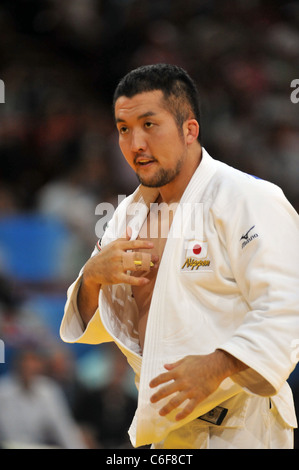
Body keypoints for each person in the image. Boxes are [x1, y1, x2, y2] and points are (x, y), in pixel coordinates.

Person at [60, 64, 299, 449]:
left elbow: (287, 305)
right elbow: (104, 325)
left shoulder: (248, 198)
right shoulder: (129, 215)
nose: (135, 143)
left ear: (190, 130)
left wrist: (218, 364)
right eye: (124, 129)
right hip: (166, 432)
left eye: (149, 124)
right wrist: (91, 277)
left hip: (240, 428)